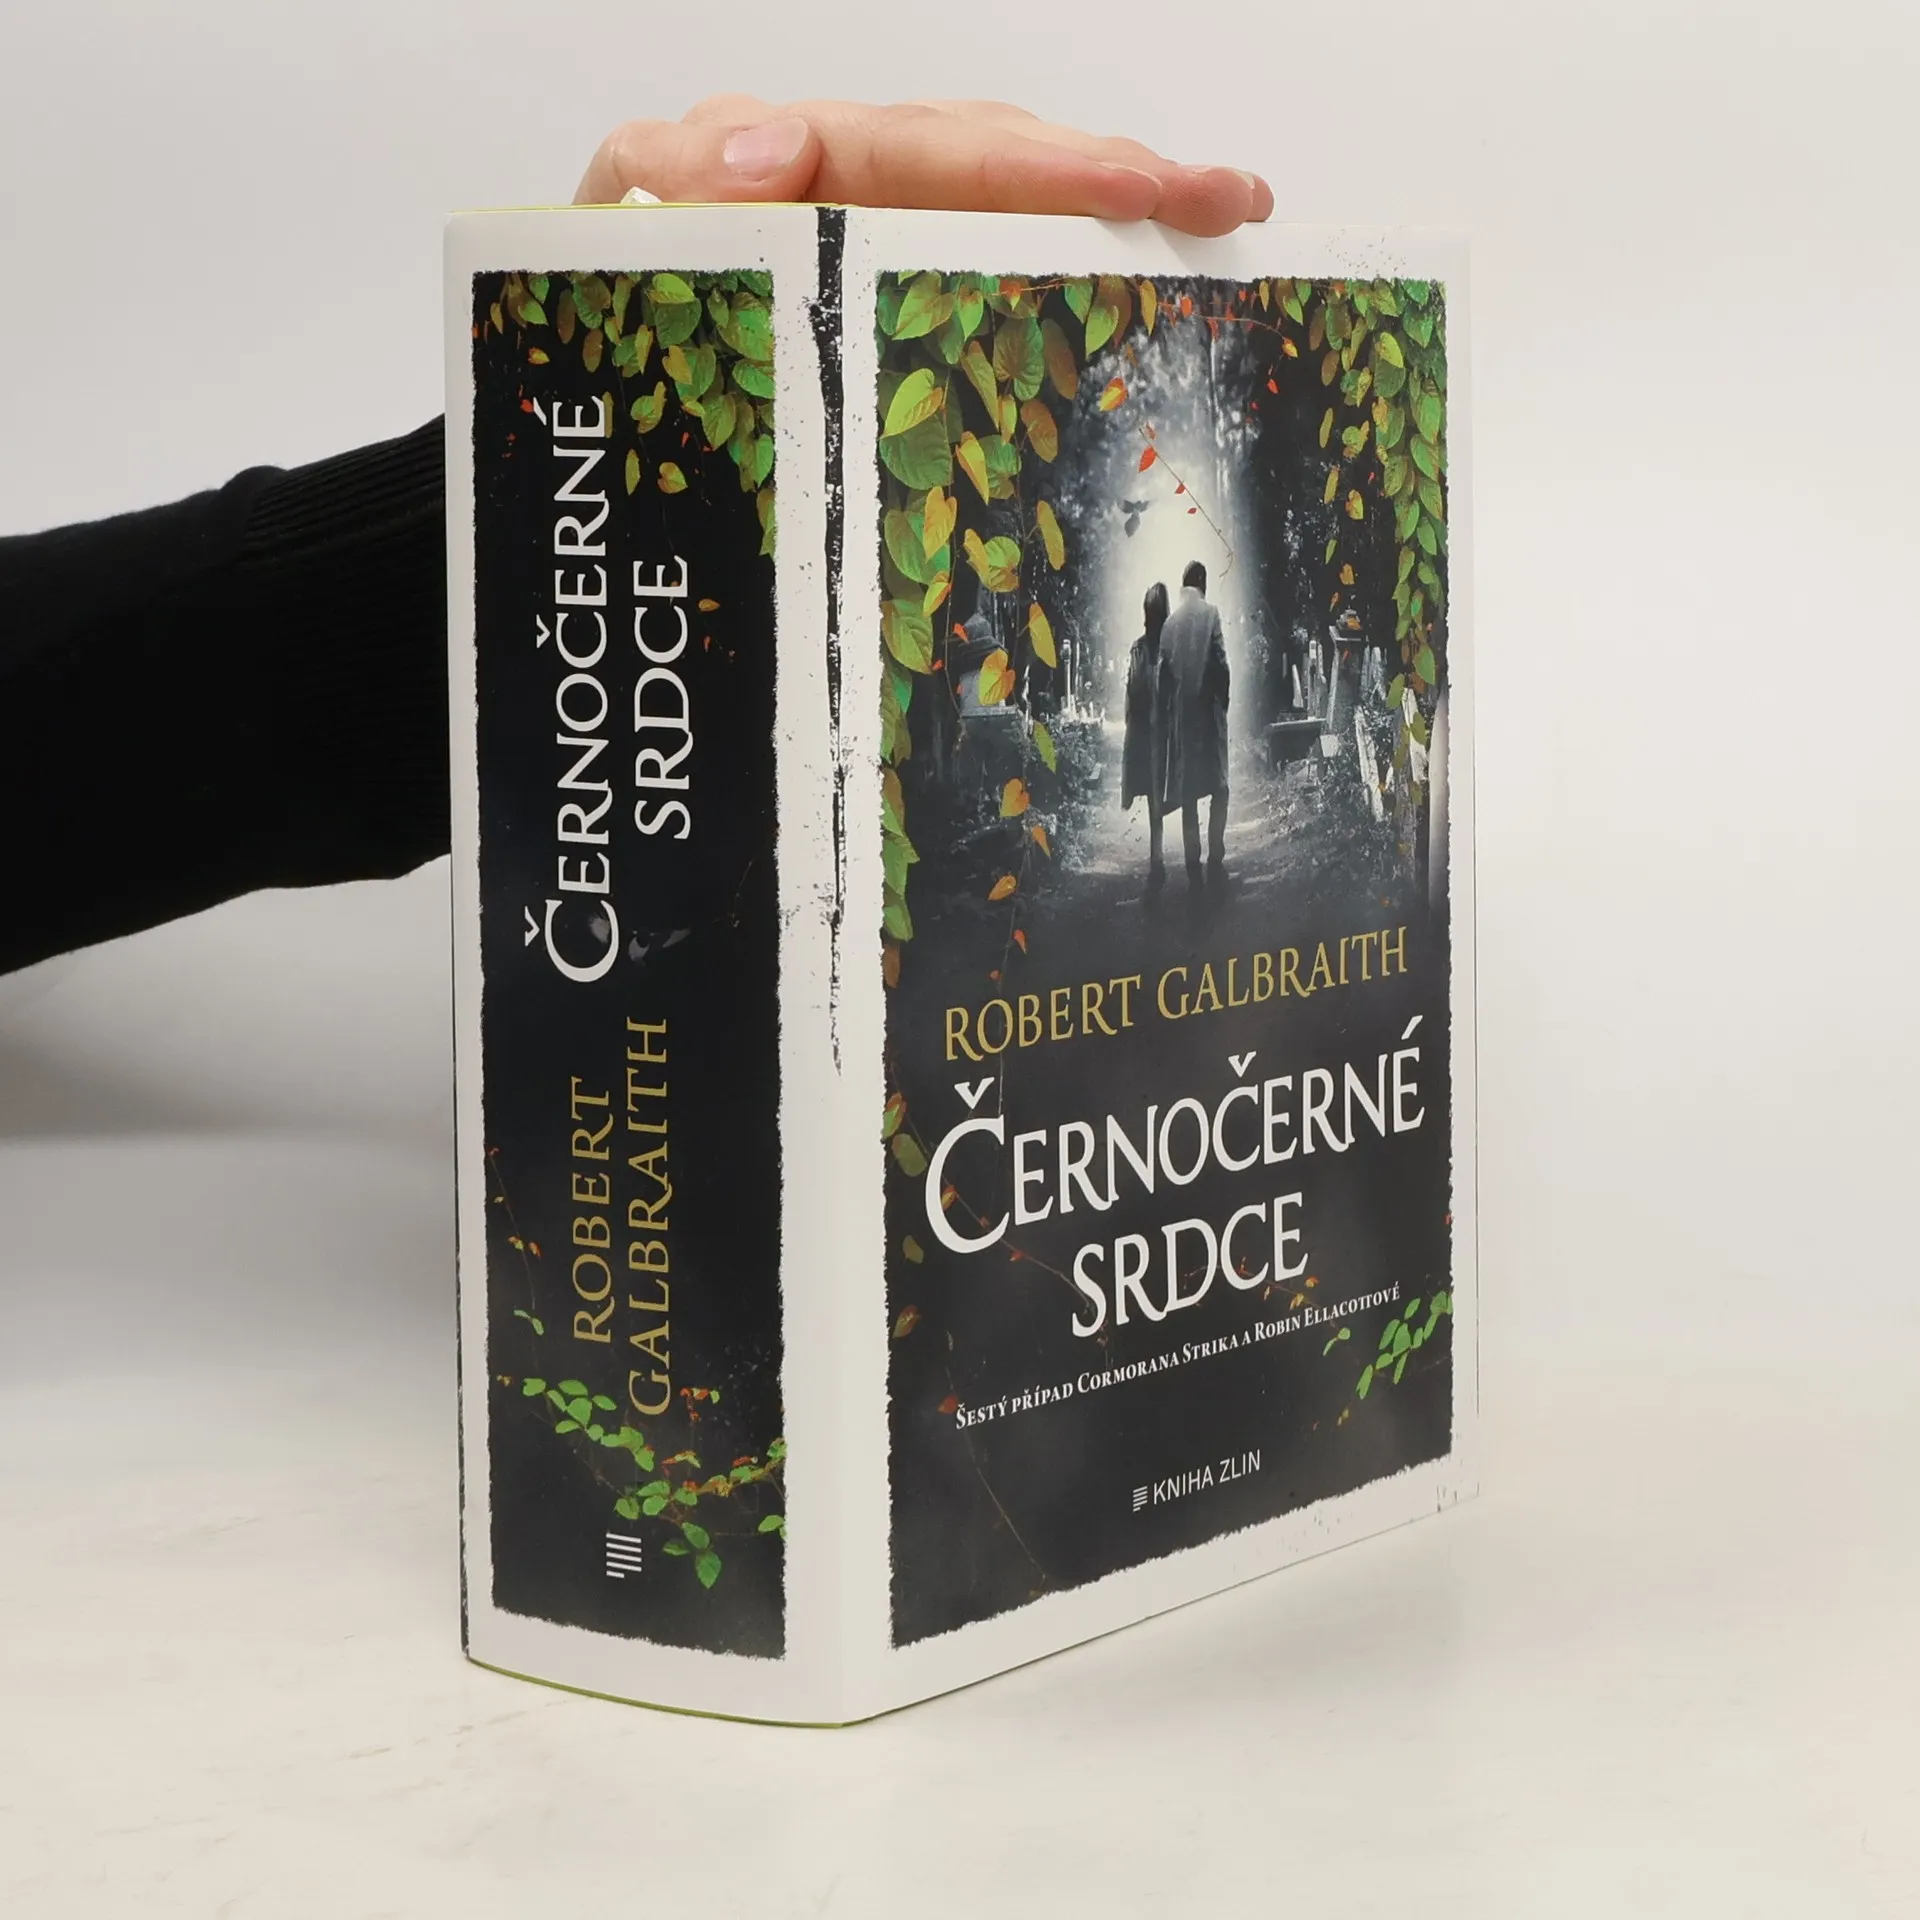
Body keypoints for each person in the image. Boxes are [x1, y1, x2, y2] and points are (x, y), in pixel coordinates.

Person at [0, 100, 1271, 976]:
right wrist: (524, 556)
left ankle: (1177, 862)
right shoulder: (1183, 630)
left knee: (1174, 802)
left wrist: (517, 552)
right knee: (1192, 797)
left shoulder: (1161, 629)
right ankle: (1190, 861)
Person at [1159, 559, 1231, 882]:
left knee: (1188, 792)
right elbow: (1221, 663)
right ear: (1202, 583)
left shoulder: (1170, 623)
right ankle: (1215, 855)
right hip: (1209, 714)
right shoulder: (1211, 614)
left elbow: (1163, 676)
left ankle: (1193, 862)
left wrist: (1168, 713)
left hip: (1183, 718)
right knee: (1220, 788)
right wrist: (1222, 703)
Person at [1120, 581, 1173, 890]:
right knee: (1161, 792)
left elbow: (1132, 691)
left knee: (1156, 794)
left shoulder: (1141, 649)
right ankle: (1160, 856)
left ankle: (1158, 857)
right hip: (1162, 729)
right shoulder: (1167, 647)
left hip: (1149, 729)